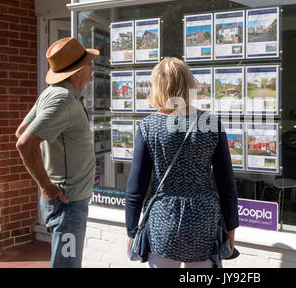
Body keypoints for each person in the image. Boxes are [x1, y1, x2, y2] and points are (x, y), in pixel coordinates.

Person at [125, 57, 239, 268]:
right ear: (189, 84)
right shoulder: (211, 123)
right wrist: (230, 228)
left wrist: (132, 229)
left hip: (163, 220)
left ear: (158, 87)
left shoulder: (148, 127)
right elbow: (227, 183)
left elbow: (136, 186)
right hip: (204, 221)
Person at [15, 37, 99, 268]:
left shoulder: (53, 93)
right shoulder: (63, 99)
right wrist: (46, 185)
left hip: (67, 201)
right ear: (78, 71)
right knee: (66, 265)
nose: (92, 65)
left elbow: (21, 131)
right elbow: (24, 142)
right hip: (67, 204)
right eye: (88, 62)